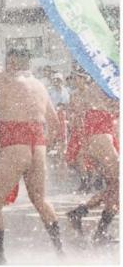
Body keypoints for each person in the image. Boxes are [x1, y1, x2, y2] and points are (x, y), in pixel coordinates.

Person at [0, 39, 62, 265]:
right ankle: (61, 253)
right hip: (37, 146)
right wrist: (42, 145)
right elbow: (56, 124)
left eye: (7, 60)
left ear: (13, 61)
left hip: (16, 145)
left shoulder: (7, 78)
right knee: (40, 200)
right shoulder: (40, 86)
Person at [65, 69, 119, 243]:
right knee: (117, 185)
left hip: (98, 139)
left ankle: (90, 223)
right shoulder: (103, 86)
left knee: (114, 187)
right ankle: (91, 224)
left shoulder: (97, 87)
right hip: (101, 138)